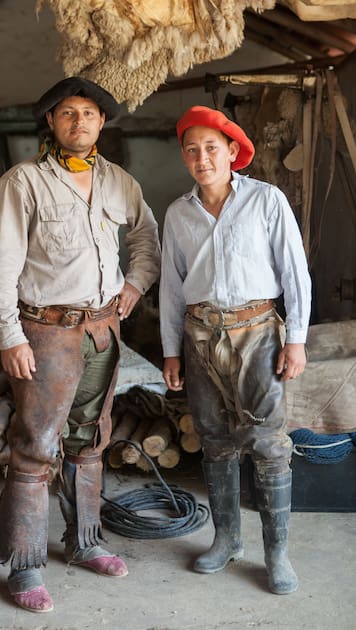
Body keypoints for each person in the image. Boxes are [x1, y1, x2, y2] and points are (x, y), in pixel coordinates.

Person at [0, 76, 161, 613]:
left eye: (88, 113)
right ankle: (25, 563)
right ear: (52, 123)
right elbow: (0, 266)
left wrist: (136, 284)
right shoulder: (23, 182)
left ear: (102, 122)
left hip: (102, 329)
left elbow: (144, 237)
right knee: (36, 445)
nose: (79, 122)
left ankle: (84, 543)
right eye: (67, 113)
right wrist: (9, 335)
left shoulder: (119, 182)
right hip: (46, 330)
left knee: (90, 438)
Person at [159, 106, 311, 595]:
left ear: (231, 152)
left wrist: (297, 340)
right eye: (192, 150)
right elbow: (171, 288)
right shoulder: (179, 213)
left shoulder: (267, 200)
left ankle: (277, 554)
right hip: (200, 336)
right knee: (214, 440)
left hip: (258, 332)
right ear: (185, 158)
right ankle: (226, 540)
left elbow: (295, 272)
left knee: (268, 445)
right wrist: (171, 351)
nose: (202, 158)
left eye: (211, 148)